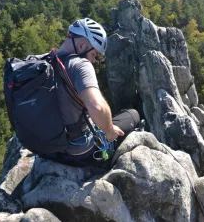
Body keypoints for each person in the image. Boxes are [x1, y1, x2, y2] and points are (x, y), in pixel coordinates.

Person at [40, 18, 140, 167]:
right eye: (94, 54)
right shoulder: (80, 65)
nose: (93, 61)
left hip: (46, 151)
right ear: (81, 45)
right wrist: (109, 131)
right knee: (132, 114)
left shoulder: (43, 63)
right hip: (77, 154)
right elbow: (97, 107)